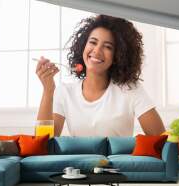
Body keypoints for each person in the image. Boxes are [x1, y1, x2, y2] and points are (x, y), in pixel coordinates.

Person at [35, 14, 165, 137]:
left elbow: (161, 140)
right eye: (93, 42)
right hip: (79, 162)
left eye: (107, 47)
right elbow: (44, 143)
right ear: (83, 46)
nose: (97, 50)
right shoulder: (65, 92)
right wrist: (48, 90)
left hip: (117, 161)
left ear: (118, 55)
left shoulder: (130, 89)